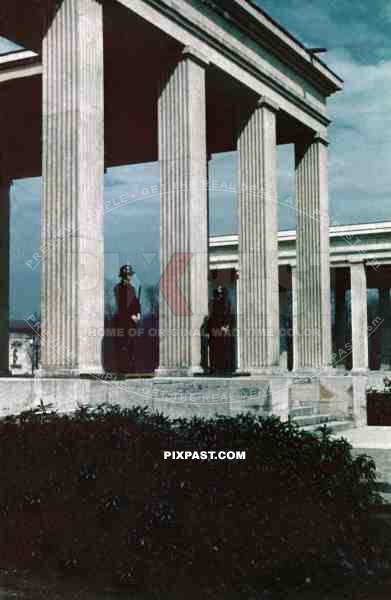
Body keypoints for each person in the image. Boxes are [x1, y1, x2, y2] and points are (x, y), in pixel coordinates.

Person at [114, 265, 141, 374]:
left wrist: (138, 313)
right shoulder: (118, 288)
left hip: (132, 322)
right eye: (127, 275)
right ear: (123, 276)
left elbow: (135, 304)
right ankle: (122, 368)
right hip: (122, 321)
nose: (129, 277)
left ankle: (131, 368)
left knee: (131, 345)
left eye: (130, 275)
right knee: (123, 345)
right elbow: (121, 305)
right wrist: (131, 315)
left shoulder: (132, 288)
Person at [208, 285, 234, 374]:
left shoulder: (227, 302)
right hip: (216, 328)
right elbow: (213, 316)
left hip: (223, 327)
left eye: (221, 293)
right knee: (216, 348)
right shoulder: (213, 302)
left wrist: (226, 325)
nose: (220, 295)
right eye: (218, 293)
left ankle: (224, 367)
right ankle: (216, 367)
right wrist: (220, 326)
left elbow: (227, 314)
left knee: (224, 347)